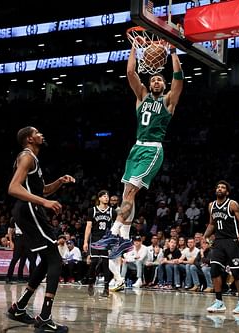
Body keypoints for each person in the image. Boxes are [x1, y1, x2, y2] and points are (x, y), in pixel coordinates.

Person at [91, 41, 184, 261]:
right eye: (153, 79)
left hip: (152, 150)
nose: (156, 81)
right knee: (126, 194)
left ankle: (113, 233)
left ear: (164, 84)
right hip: (136, 147)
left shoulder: (168, 101)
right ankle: (123, 237)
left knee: (131, 192)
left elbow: (179, 78)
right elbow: (130, 71)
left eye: (160, 79)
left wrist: (172, 52)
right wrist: (135, 47)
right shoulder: (141, 96)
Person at [6, 126, 75, 333]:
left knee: (47, 259)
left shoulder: (32, 159)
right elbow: (13, 188)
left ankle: (19, 307)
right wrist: (43, 203)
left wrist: (60, 182)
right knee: (55, 259)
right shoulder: (27, 157)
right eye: (37, 133)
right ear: (29, 139)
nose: (41, 134)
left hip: (29, 209)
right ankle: (45, 317)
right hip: (29, 210)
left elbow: (42, 189)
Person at [204, 180, 239, 314]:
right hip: (219, 242)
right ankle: (219, 302)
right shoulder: (211, 205)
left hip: (232, 241)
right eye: (218, 187)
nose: (220, 189)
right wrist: (205, 236)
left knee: (236, 273)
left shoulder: (232, 204)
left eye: (223, 187)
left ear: (227, 192)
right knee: (214, 270)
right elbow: (212, 224)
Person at [83, 190, 117, 297]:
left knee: (105, 263)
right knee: (94, 262)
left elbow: (116, 227)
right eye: (104, 196)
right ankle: (91, 282)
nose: (106, 198)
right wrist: (85, 241)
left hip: (107, 240)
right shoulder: (92, 211)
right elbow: (88, 227)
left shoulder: (112, 211)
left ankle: (106, 288)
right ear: (100, 198)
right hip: (95, 240)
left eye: (107, 196)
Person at [6, 217, 37, 284]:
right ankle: (8, 277)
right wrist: (11, 241)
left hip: (28, 238)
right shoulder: (14, 218)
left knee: (31, 259)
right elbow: (10, 230)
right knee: (15, 258)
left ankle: (32, 279)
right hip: (19, 238)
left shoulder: (31, 216)